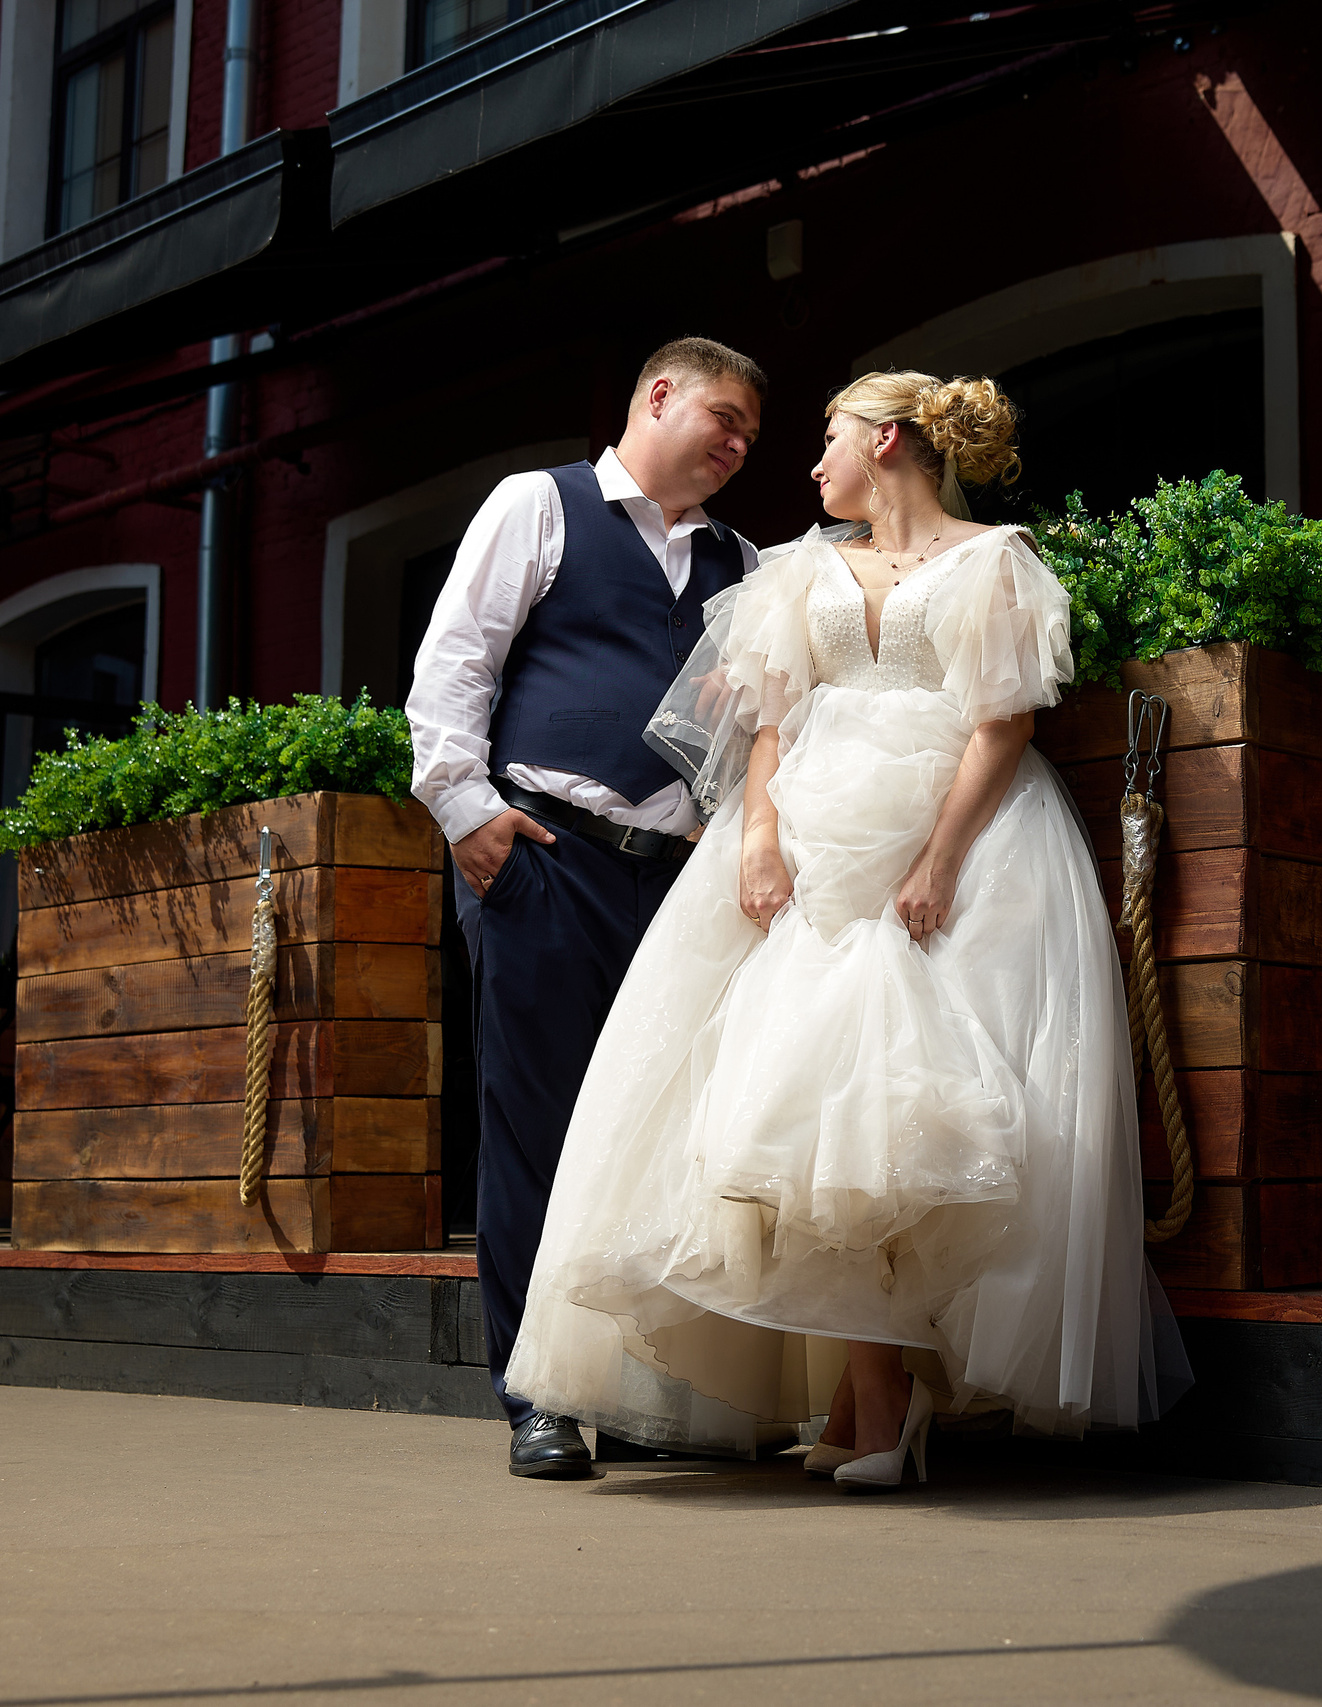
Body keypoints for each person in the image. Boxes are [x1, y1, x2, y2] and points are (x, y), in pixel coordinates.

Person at [504, 371, 1189, 1485]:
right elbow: (771, 721)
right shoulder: (802, 567)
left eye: (826, 437)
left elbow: (1000, 725)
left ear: (887, 439)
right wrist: (760, 834)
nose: (810, 463)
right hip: (813, 845)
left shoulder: (993, 560)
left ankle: (884, 1406)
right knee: (810, 1128)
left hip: (947, 839)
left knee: (896, 1130)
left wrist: (935, 861)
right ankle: (865, 1404)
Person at [406, 337, 767, 1478]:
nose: (736, 444)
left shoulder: (746, 563)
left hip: (678, 884)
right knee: (538, 1132)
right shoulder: (539, 505)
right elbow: (455, 661)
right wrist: (468, 814)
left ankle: (645, 1391)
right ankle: (537, 1396)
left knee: (663, 1136)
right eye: (723, 415)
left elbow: (762, 731)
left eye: (752, 435)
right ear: (657, 395)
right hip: (546, 858)